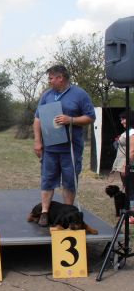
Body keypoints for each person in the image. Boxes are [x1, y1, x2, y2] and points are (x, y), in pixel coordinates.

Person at [33, 65, 96, 227]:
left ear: (60, 78)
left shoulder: (80, 94)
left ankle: (67, 212)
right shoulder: (46, 95)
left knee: (69, 182)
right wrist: (38, 141)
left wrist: (71, 120)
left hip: (71, 150)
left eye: (51, 78)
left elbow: (90, 117)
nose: (49, 81)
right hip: (50, 149)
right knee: (47, 180)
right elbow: (38, 119)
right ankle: (45, 213)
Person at [111, 111, 134, 223]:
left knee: (131, 189)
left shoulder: (132, 132)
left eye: (124, 119)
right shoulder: (127, 132)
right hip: (122, 163)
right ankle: (128, 212)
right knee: (127, 188)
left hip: (128, 164)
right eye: (121, 119)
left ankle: (132, 215)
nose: (121, 121)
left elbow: (132, 150)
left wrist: (126, 164)